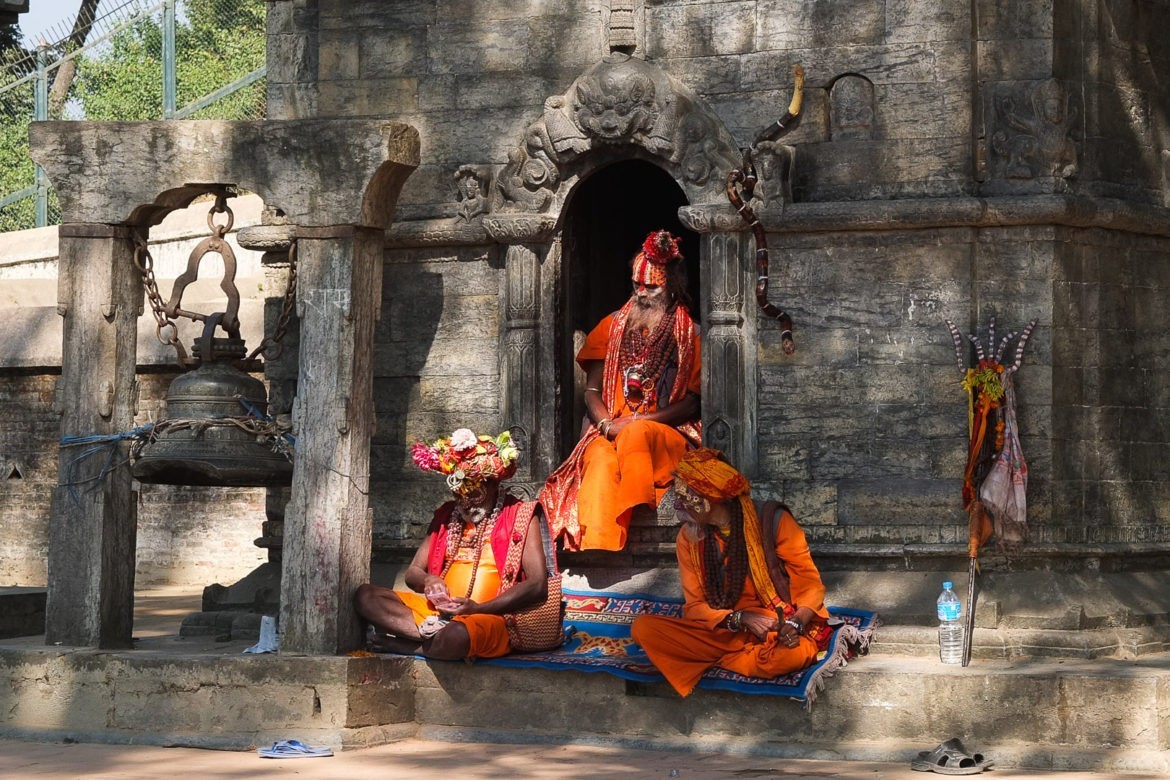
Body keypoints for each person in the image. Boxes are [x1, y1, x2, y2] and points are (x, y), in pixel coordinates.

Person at [540, 229, 701, 551]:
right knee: (599, 458)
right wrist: (606, 424)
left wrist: (640, 421)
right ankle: (599, 548)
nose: (642, 293)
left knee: (636, 435)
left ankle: (637, 499)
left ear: (672, 286)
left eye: (651, 287)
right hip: (609, 430)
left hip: (666, 434)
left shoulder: (691, 334)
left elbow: (693, 402)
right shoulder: (611, 326)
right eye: (636, 284)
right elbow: (591, 390)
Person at [630, 448, 831, 697]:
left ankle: (711, 661)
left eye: (686, 497)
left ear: (713, 497)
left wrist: (794, 623)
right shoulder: (688, 537)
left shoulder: (773, 521)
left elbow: (810, 584)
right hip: (724, 629)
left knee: (793, 655)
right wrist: (740, 618)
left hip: (773, 626)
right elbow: (695, 607)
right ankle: (733, 657)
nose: (678, 505)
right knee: (643, 629)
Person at [354, 428, 548, 660]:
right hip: (438, 614)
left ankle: (411, 647)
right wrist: (429, 580)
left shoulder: (521, 514)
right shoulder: (447, 514)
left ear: (493, 485)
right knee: (366, 597)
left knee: (458, 635)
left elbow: (537, 585)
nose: (465, 503)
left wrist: (478, 608)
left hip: (490, 617)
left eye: (473, 494)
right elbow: (413, 572)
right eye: (458, 495)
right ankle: (437, 640)